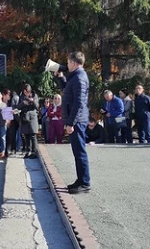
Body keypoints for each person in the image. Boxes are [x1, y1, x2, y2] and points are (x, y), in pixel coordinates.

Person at [56, 51, 91, 194]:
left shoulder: (79, 78)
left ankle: (85, 183)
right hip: (76, 120)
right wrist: (60, 77)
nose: (67, 64)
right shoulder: (75, 77)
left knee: (80, 152)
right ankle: (80, 180)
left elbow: (79, 103)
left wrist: (71, 123)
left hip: (77, 120)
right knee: (77, 152)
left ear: (74, 63)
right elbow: (66, 91)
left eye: (68, 62)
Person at [17, 84, 40, 159]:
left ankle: (34, 152)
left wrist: (32, 101)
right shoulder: (21, 96)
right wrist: (23, 103)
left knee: (33, 135)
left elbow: (37, 106)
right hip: (24, 117)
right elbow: (18, 107)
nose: (25, 93)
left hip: (32, 117)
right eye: (24, 91)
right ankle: (28, 151)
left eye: (27, 91)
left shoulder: (34, 95)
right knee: (26, 136)